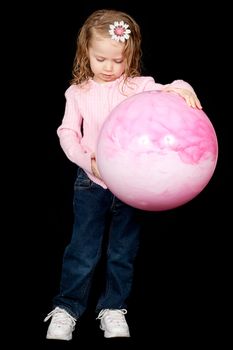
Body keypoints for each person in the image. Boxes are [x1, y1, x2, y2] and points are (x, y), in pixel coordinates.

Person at [44, 8, 202, 341]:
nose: (110, 67)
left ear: (129, 56)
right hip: (92, 183)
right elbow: (67, 133)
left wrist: (183, 86)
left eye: (118, 60)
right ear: (86, 52)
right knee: (83, 250)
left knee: (122, 250)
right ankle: (67, 309)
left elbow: (169, 87)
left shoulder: (138, 86)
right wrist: (89, 162)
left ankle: (113, 308)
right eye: (101, 59)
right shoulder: (79, 92)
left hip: (131, 186)